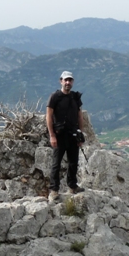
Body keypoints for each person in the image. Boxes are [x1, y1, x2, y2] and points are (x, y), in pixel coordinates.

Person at [46, 70, 84, 202]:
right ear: (61, 81)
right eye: (65, 80)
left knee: (73, 162)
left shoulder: (75, 97)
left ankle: (72, 186)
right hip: (59, 135)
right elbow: (49, 116)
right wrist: (52, 135)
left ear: (72, 82)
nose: (68, 82)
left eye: (70, 80)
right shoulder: (55, 97)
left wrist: (80, 134)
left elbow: (80, 116)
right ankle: (54, 190)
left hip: (73, 134)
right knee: (56, 164)